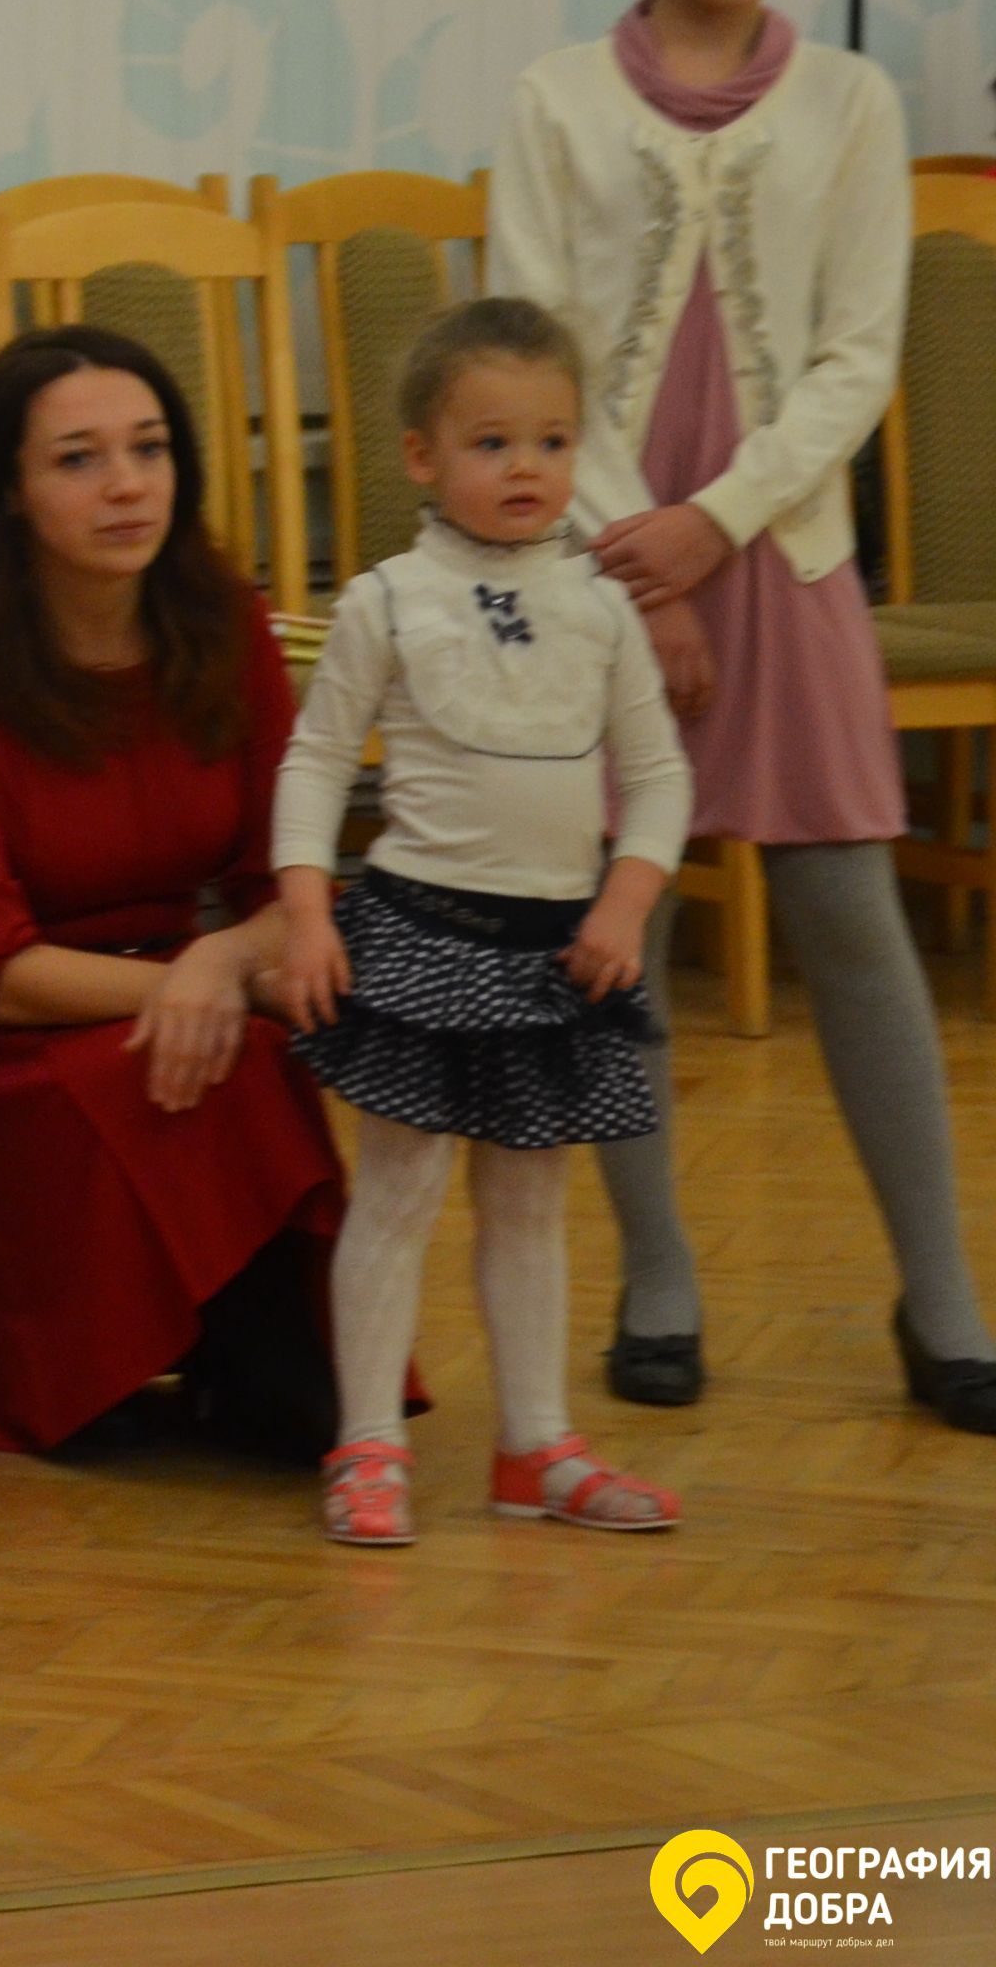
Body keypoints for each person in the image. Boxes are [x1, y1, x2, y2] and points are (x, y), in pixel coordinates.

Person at [493, 0, 996, 1430]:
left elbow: (856, 354)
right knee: (615, 921)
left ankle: (941, 1300)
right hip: (597, 552)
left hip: (783, 546)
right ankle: (657, 1276)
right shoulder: (556, 98)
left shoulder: (848, 100)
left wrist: (711, 528)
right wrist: (639, 560)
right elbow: (533, 346)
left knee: (847, 907)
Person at [0, 326, 347, 1461]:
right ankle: (118, 1362)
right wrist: (194, 988)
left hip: (171, 983)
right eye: (78, 460)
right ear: (9, 493)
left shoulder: (226, 622)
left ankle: (251, 1363)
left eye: (148, 449)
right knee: (176, 1055)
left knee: (250, 1050)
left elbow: (288, 877)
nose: (126, 485)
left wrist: (215, 965)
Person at [273, 299, 687, 1548]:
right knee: (397, 1189)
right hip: (418, 937)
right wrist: (305, 913)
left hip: (552, 955)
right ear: (420, 455)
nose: (525, 468)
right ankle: (366, 1443)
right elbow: (312, 760)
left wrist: (624, 901)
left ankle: (533, 1445)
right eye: (490, 442)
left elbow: (656, 776)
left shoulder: (601, 610)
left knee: (528, 1199)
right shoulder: (387, 600)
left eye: (551, 443)